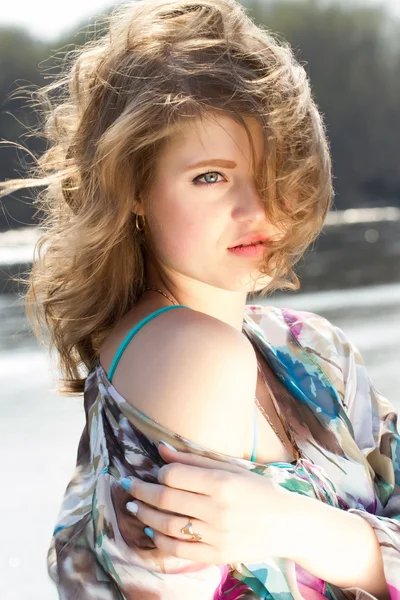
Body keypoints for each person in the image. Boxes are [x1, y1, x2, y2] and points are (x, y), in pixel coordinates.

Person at [1, 0, 399, 598]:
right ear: (134, 188)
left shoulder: (310, 346)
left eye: (272, 168)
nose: (257, 207)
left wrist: (298, 525)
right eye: (210, 176)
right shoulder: (195, 357)